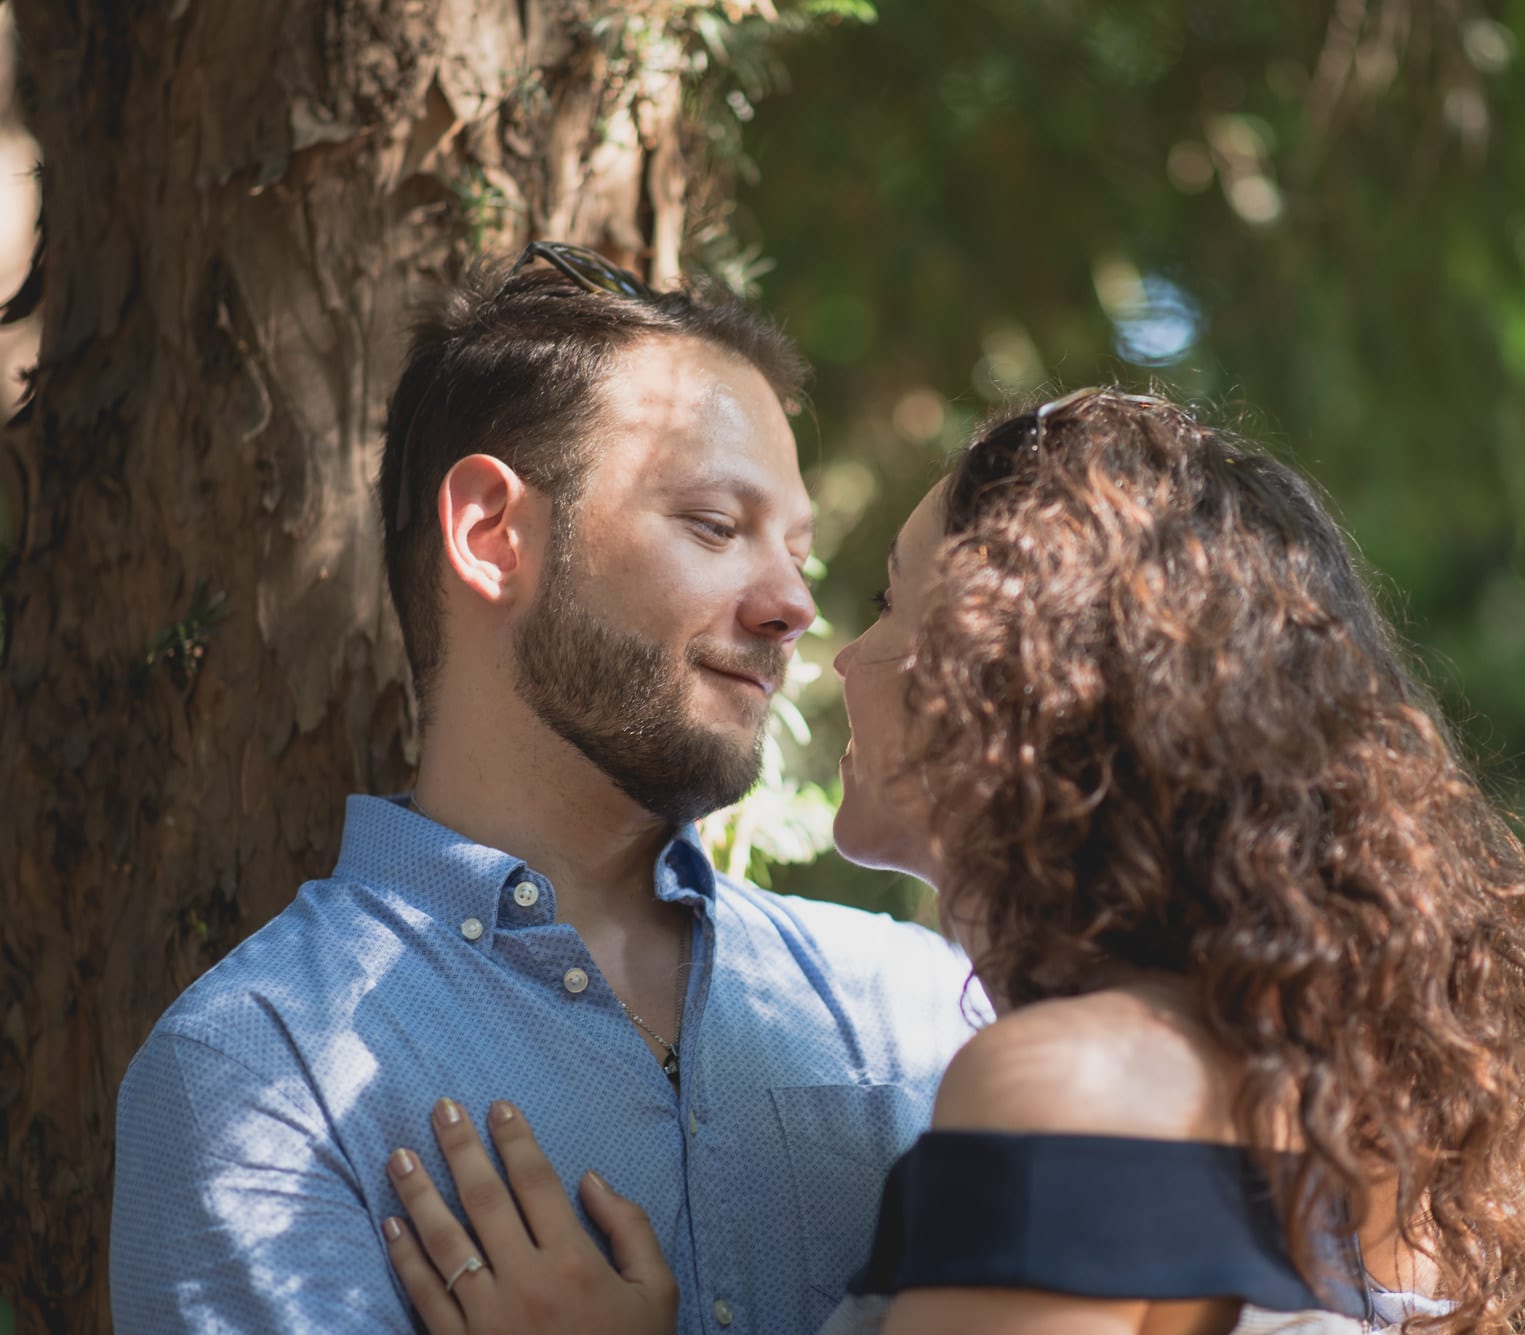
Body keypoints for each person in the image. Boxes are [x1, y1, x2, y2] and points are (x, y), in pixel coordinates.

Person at [376, 389, 1525, 1335]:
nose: (835, 644)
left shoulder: (1073, 1088)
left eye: (889, 598)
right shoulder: (1362, 1139)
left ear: (1011, 673)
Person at [108, 243, 981, 1334]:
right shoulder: (261, 1076)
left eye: (796, 553)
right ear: (491, 534)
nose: (791, 606)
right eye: (715, 525)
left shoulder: (927, 1009)